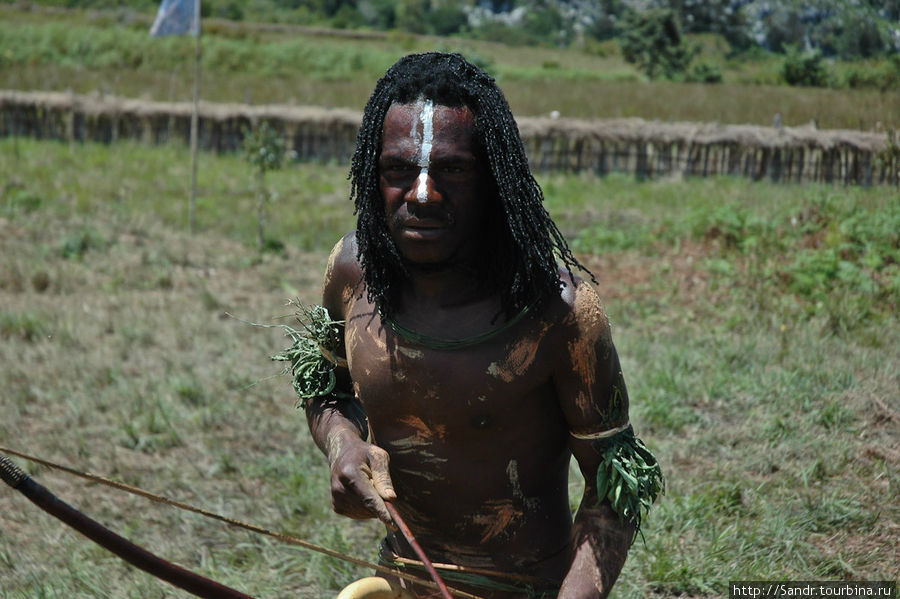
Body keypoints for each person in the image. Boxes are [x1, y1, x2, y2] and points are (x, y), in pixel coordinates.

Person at [302, 52, 661, 599]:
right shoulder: (352, 273)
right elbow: (324, 386)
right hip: (396, 580)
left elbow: (614, 489)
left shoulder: (560, 312)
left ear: (493, 178)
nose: (421, 193)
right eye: (399, 169)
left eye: (451, 169)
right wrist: (342, 443)